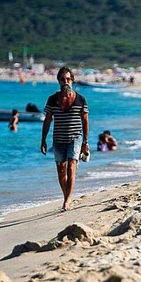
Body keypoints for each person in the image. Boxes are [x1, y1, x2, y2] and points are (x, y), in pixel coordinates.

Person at [40, 66, 89, 211]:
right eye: (62, 79)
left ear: (72, 80)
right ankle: (66, 196)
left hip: (75, 137)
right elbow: (47, 120)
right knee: (61, 171)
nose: (65, 81)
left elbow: (85, 121)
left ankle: (67, 202)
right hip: (58, 139)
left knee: (71, 168)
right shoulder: (52, 100)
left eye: (68, 78)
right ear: (58, 81)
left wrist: (85, 142)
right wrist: (43, 140)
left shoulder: (80, 99)